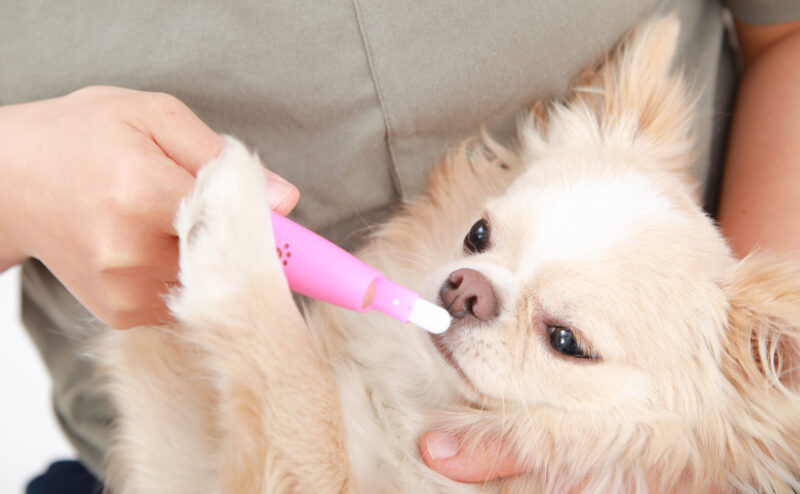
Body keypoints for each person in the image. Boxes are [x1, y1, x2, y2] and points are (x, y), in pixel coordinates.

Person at [1, 1, 798, 491]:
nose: (468, 288)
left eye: (564, 338)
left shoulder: (706, 406)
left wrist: (715, 440)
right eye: (483, 241)